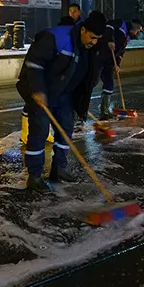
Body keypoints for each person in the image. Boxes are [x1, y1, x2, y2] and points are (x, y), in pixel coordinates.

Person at [17, 11, 107, 192]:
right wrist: (38, 90)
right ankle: (34, 176)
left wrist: (79, 102)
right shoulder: (58, 37)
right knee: (40, 131)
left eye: (98, 39)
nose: (94, 42)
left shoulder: (87, 47)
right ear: (82, 30)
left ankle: (59, 169)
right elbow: (35, 63)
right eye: (92, 37)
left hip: (63, 94)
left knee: (66, 126)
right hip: (41, 91)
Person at [20, 15, 80, 145]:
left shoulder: (58, 38)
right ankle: (25, 134)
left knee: (40, 109)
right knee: (33, 107)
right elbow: (34, 64)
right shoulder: (51, 38)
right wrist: (38, 88)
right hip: (30, 81)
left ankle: (42, 134)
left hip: (40, 82)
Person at [97, 19, 143, 119]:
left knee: (109, 83)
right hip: (100, 55)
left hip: (110, 60)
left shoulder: (128, 37)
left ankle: (104, 111)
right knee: (93, 80)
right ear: (134, 26)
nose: (137, 32)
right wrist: (110, 40)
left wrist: (117, 64)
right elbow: (108, 26)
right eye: (138, 29)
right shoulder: (120, 24)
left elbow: (121, 52)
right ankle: (79, 113)